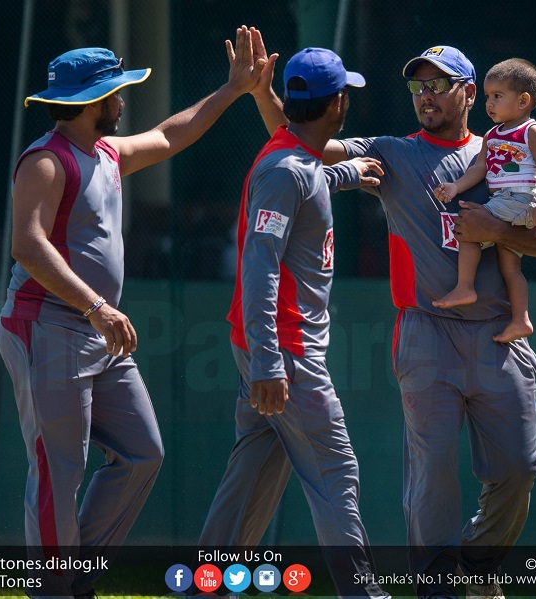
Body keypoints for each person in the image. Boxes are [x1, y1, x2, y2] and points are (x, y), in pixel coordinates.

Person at [249, 40, 536, 599]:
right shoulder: (393, 151)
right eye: (418, 86)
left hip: (497, 335)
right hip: (425, 333)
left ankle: (476, 567)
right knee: (432, 475)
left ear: (469, 93)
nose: (426, 96)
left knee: (519, 469)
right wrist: (262, 93)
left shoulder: (503, 148)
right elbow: (304, 139)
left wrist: (497, 231)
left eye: (438, 85)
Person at [0, 29, 264, 598]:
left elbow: (170, 135)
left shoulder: (108, 153)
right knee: (58, 470)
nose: (122, 100)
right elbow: (27, 245)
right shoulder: (46, 160)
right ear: (90, 101)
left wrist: (234, 89)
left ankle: (72, 578)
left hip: (95, 330)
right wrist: (96, 306)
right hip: (48, 325)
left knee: (143, 454)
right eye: (114, 92)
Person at [197, 46, 389, 599]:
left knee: (252, 476)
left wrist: (349, 173)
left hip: (271, 349)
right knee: (336, 473)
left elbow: (311, 177)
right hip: (285, 353)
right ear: (337, 104)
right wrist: (268, 362)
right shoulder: (285, 170)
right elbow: (259, 266)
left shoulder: (294, 157)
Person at [433, 58, 536, 343]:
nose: (489, 103)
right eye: (488, 96)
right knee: (510, 267)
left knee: (469, 228)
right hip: (505, 201)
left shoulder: (531, 131)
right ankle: (521, 320)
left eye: (497, 96)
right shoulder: (492, 135)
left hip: (520, 199)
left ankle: (465, 287)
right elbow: (479, 168)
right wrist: (455, 186)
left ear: (523, 101)